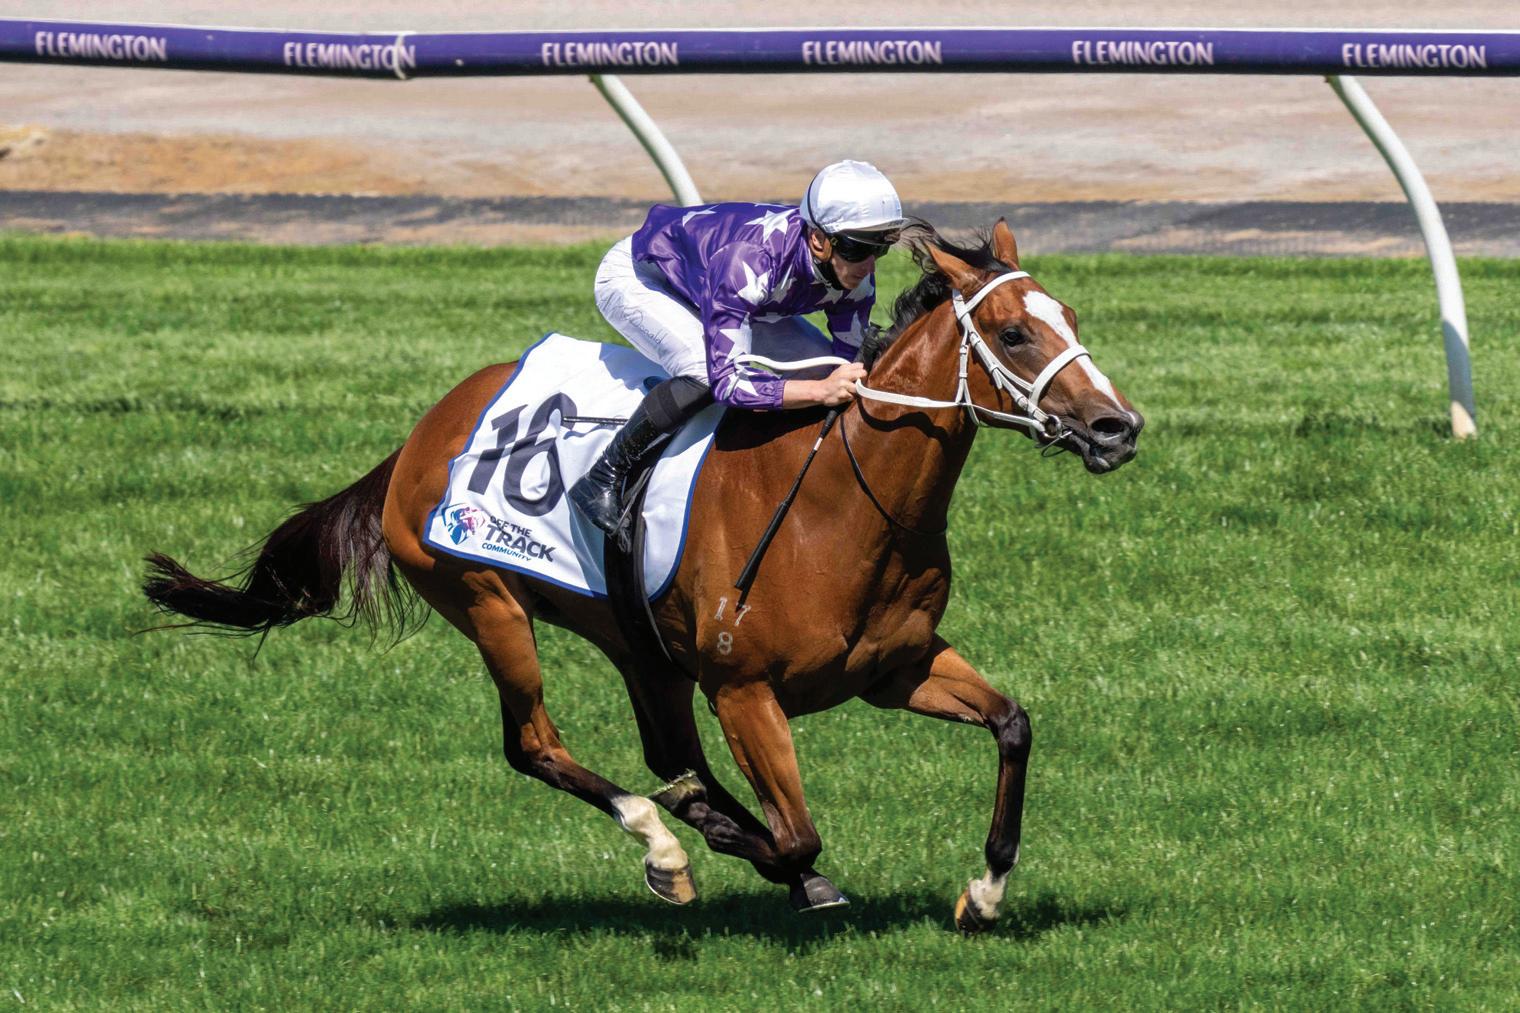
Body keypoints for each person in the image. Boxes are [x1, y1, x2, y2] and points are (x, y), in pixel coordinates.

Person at [569, 159, 906, 537]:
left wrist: (836, 381)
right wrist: (818, 391)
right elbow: (727, 384)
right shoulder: (750, 262)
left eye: (880, 249)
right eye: (858, 249)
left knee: (830, 372)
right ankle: (604, 474)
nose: (870, 266)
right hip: (642, 277)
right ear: (818, 240)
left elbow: (848, 363)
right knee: (702, 372)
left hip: (732, 290)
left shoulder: (853, 273)